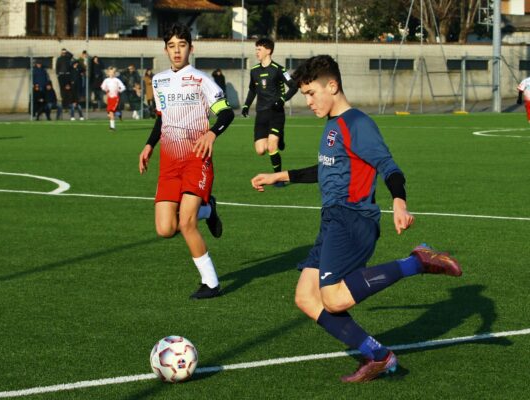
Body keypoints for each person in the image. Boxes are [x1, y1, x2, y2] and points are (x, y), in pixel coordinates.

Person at [250, 55, 463, 382]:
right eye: (304, 94)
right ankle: (379, 355)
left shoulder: (358, 124)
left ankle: (416, 262)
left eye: (310, 93)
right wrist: (277, 177)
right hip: (332, 221)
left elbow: (389, 168)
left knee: (333, 299)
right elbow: (325, 170)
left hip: (353, 220)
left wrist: (399, 203)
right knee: (307, 298)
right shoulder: (333, 125)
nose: (307, 101)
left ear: (332, 86)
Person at [138, 23, 235, 299]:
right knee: (165, 228)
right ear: (166, 49)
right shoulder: (159, 81)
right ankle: (209, 210)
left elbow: (225, 113)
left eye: (182, 45)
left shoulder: (202, 80)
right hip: (169, 163)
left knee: (186, 224)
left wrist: (212, 133)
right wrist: (148, 145)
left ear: (191, 48)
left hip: (196, 159)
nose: (177, 50)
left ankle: (211, 283)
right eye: (172, 46)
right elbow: (161, 119)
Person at [242, 38, 298, 186]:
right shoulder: (254, 70)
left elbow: (293, 86)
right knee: (261, 150)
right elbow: (252, 90)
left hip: (276, 112)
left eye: (259, 49)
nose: (256, 52)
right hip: (261, 114)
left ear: (268, 50)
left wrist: (283, 99)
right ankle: (280, 135)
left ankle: (278, 179)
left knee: (272, 146)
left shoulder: (279, 69)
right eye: (256, 49)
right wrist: (246, 105)